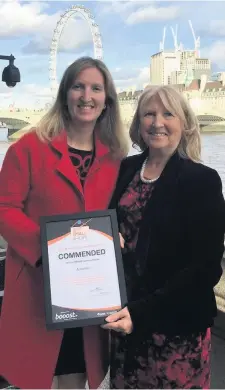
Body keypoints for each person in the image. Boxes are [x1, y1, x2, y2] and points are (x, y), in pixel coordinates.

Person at [0, 56, 128, 389]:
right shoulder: (28, 148)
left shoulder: (115, 158)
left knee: (74, 378)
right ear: (65, 93)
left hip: (87, 297)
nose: (87, 96)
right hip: (35, 287)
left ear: (106, 100)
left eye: (96, 88)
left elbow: (118, 214)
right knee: (32, 377)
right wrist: (45, 252)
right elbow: (4, 207)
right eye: (78, 86)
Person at [103, 85, 225, 389]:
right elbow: (110, 225)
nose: (157, 122)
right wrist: (106, 236)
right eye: (149, 114)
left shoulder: (202, 181)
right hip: (128, 329)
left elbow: (206, 268)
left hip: (175, 331)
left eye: (167, 113)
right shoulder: (126, 170)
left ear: (183, 122)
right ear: (139, 123)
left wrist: (140, 313)